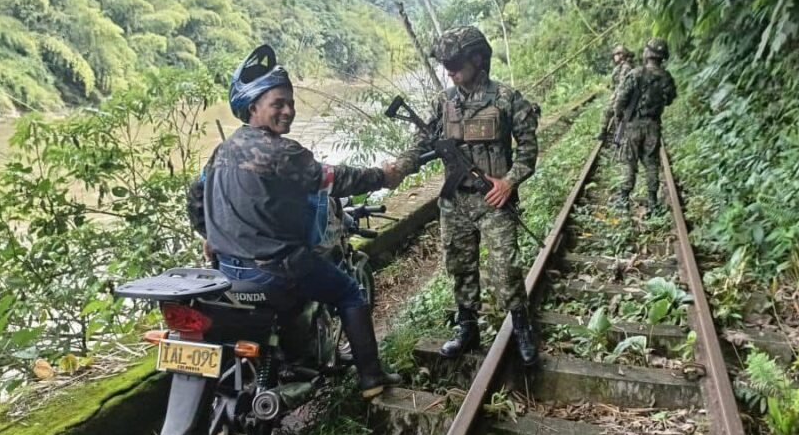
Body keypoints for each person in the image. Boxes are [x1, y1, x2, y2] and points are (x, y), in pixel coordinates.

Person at [187, 44, 404, 399]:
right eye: (278, 104)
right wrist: (382, 175)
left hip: (227, 270)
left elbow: (195, 198)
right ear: (253, 107)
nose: (288, 110)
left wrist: (208, 234)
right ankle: (371, 378)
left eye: (290, 102)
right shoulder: (282, 152)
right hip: (273, 270)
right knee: (349, 292)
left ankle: (291, 360)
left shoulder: (221, 151)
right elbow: (337, 179)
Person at [397, 26, 540, 367]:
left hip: (493, 200)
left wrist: (508, 182)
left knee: (505, 268)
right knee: (460, 266)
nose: (450, 70)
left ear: (478, 58)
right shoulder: (443, 101)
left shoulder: (507, 99)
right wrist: (402, 164)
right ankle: (467, 327)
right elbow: (422, 139)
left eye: (457, 62)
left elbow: (528, 151)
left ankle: (521, 327)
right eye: (446, 64)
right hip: (455, 203)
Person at [612, 38, 677, 212]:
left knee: (629, 162)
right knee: (651, 162)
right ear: (663, 57)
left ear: (647, 53)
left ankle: (624, 199)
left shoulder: (635, 73)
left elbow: (619, 102)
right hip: (653, 125)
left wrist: (620, 121)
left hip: (633, 125)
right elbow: (670, 99)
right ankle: (652, 201)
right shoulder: (666, 77)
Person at [597, 44, 635, 142]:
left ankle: (619, 135)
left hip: (624, 96)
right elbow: (615, 84)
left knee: (616, 112)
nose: (614, 57)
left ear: (621, 55)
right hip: (619, 94)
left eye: (616, 54)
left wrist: (615, 97)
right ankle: (604, 132)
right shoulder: (619, 67)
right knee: (607, 111)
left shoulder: (626, 67)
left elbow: (622, 85)